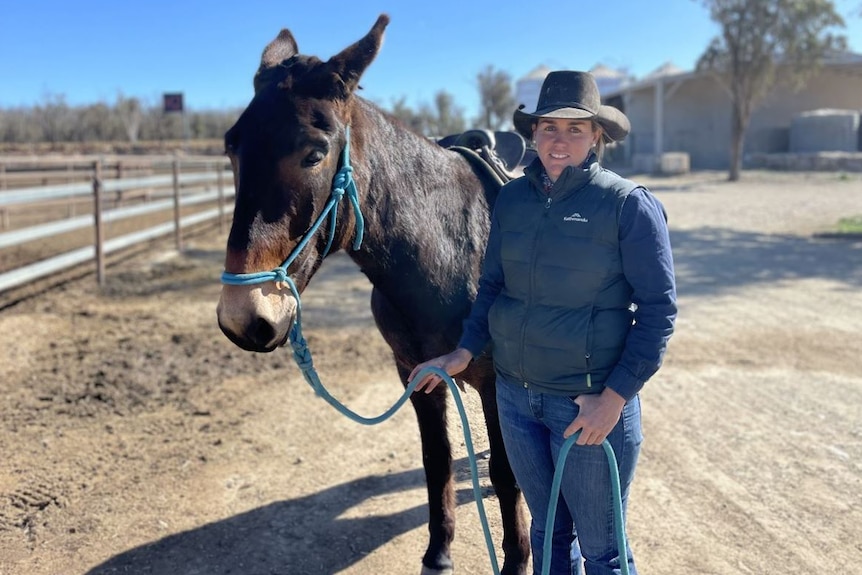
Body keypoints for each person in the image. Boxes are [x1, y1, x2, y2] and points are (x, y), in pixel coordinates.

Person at [409, 70, 677, 575]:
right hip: (516, 400)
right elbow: (491, 287)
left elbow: (659, 313)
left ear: (597, 135)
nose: (560, 140)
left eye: (576, 128)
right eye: (549, 126)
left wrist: (614, 399)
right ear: (532, 134)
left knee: (603, 551)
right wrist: (463, 352)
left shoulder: (627, 205)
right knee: (548, 533)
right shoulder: (511, 200)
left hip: (587, 405)